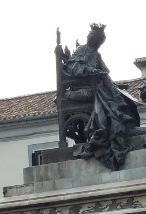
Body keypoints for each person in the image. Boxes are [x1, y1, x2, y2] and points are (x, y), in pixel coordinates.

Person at [60, 23, 141, 170]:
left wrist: (114, 85)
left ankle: (124, 128)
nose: (97, 44)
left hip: (95, 86)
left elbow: (105, 72)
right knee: (105, 98)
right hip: (80, 89)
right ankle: (107, 127)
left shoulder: (96, 54)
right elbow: (73, 68)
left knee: (123, 98)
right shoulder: (81, 50)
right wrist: (91, 71)